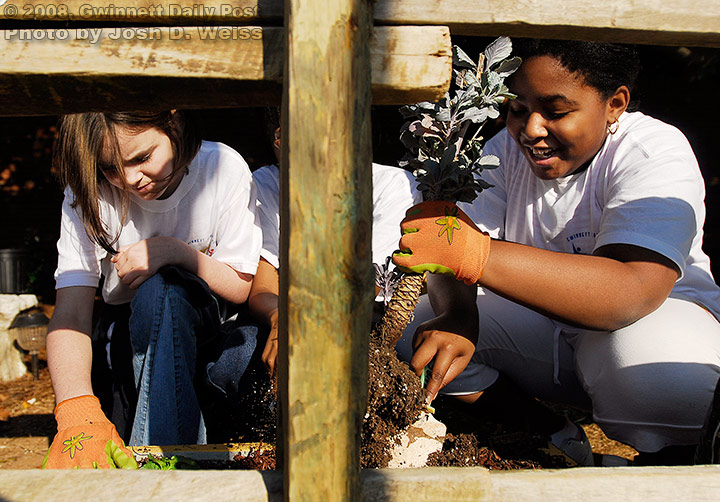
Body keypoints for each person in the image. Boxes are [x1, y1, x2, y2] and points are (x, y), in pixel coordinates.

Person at [393, 39, 720, 466]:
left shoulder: (653, 151)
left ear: (614, 103)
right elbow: (451, 252)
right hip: (549, 333)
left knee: (657, 376)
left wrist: (474, 253)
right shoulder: (503, 151)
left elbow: (629, 293)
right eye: (516, 108)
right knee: (412, 333)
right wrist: (458, 314)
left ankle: (680, 460)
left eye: (556, 111)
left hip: (646, 328)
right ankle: (553, 437)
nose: (531, 129)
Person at [43, 111, 262, 469]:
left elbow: (240, 285)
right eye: (109, 168)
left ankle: (160, 469)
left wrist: (177, 253)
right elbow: (71, 313)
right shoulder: (88, 193)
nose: (130, 179)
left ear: (174, 123)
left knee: (167, 287)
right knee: (158, 292)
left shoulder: (222, 167)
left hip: (218, 328)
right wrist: (76, 407)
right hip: (132, 335)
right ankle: (172, 465)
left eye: (142, 158)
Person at [249, 109, 421, 376]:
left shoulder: (391, 185)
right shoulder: (266, 185)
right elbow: (263, 289)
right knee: (238, 359)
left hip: (366, 327)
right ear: (281, 140)